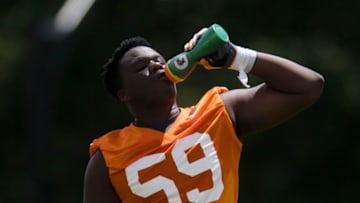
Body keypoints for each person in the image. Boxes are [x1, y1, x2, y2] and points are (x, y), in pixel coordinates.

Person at [83, 25, 324, 203]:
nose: (157, 65)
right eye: (142, 67)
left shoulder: (219, 111)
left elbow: (308, 86)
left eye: (158, 60)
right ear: (124, 94)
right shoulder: (107, 159)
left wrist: (235, 57)